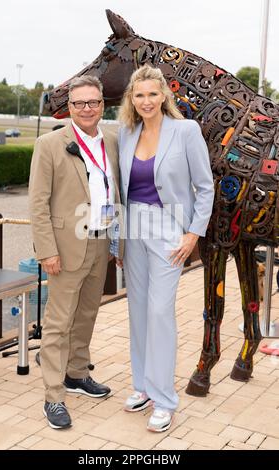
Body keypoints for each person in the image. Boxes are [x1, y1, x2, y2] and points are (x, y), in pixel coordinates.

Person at [117, 64, 214, 432]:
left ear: (164, 96)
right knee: (138, 310)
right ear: (132, 99)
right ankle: (142, 386)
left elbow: (205, 188)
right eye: (139, 95)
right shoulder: (127, 133)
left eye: (152, 94)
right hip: (133, 228)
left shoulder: (185, 131)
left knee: (159, 312)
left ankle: (165, 399)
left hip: (169, 229)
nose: (146, 101)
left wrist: (193, 234)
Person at [29, 75, 123, 429]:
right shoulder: (50, 144)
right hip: (65, 249)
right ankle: (53, 395)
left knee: (86, 315)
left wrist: (119, 241)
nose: (87, 109)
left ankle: (77, 374)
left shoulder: (111, 140)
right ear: (69, 108)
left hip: (100, 240)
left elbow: (117, 191)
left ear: (102, 106)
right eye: (80, 103)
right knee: (58, 323)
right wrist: (46, 251)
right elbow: (37, 203)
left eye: (94, 102)